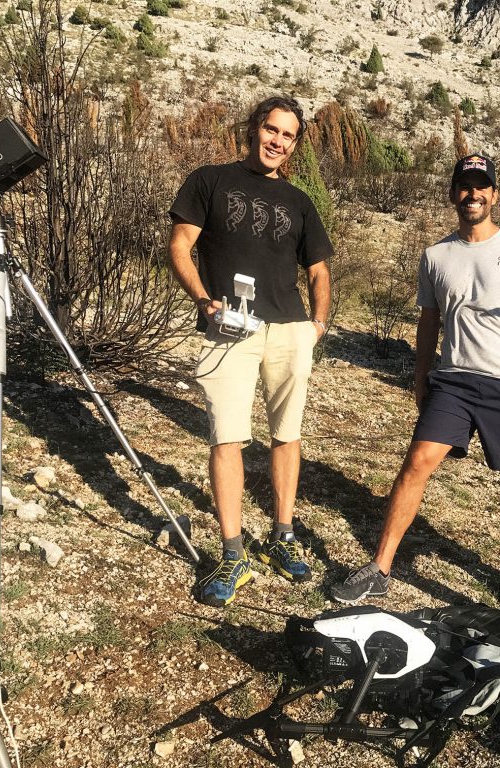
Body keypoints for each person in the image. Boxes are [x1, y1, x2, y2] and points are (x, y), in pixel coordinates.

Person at [330, 154, 500, 620]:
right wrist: (421, 379)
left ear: (495, 194)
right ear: (453, 192)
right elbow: (428, 323)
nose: (472, 194)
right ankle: (380, 568)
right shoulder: (435, 256)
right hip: (453, 380)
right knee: (416, 462)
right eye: (464, 186)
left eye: (482, 186)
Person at [168, 95, 332, 606]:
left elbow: (320, 269)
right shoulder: (210, 180)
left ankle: (283, 536)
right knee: (228, 436)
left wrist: (317, 324)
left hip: (289, 330)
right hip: (229, 329)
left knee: (286, 435)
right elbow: (179, 244)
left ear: (295, 145)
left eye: (287, 135)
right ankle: (233, 551)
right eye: (271, 129)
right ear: (254, 129)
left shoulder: (300, 202)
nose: (277, 141)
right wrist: (202, 299)